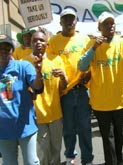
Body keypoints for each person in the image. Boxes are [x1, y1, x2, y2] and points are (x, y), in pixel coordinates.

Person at [78, 11, 123, 165]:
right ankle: (111, 162)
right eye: (106, 23)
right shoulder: (91, 44)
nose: (110, 26)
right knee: (108, 136)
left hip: (120, 100)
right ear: (99, 27)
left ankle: (118, 160)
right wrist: (94, 48)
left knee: (118, 134)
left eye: (112, 23)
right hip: (100, 102)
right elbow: (81, 66)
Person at [46, 8, 93, 165]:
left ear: (76, 21)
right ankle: (70, 156)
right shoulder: (53, 42)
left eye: (72, 18)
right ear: (60, 22)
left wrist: (89, 74)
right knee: (68, 129)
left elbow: (91, 61)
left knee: (85, 128)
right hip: (63, 93)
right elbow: (49, 64)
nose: (69, 21)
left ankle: (87, 159)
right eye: (65, 18)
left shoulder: (85, 39)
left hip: (82, 90)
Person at [0, 34, 44, 164]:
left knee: (31, 162)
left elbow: (37, 88)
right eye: (0, 48)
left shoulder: (23, 67)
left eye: (7, 48)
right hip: (4, 130)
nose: (3, 52)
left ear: (12, 51)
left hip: (26, 126)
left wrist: (39, 72)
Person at [31, 31, 67, 165]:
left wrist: (63, 77)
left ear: (47, 43)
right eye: (35, 40)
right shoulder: (24, 63)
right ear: (30, 43)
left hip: (55, 114)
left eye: (41, 40)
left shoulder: (56, 60)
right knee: (43, 152)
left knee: (56, 149)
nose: (38, 43)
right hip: (36, 116)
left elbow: (62, 87)